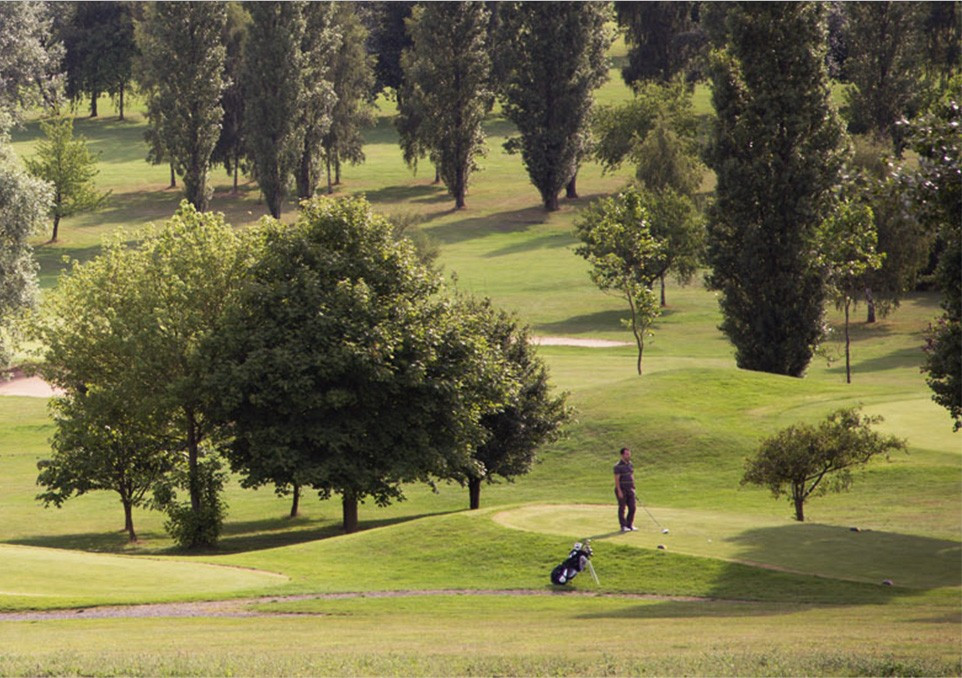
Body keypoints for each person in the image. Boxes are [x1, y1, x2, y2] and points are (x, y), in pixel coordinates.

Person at [614, 447, 637, 532]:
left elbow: (632, 475)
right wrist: (619, 490)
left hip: (630, 489)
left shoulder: (630, 464)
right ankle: (623, 526)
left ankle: (629, 524)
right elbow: (616, 480)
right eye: (626, 454)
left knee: (632, 507)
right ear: (622, 455)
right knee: (622, 507)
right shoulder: (618, 466)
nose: (628, 455)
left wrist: (633, 486)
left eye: (629, 453)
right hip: (622, 489)